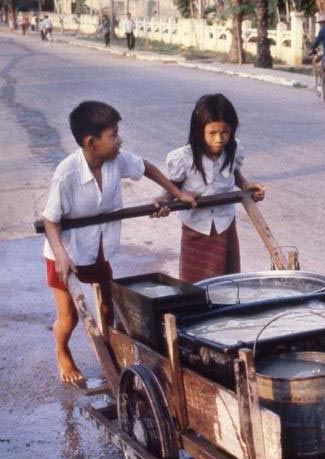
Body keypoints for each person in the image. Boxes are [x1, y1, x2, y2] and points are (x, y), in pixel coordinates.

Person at [42, 101, 197, 384]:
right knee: (69, 318)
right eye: (113, 134)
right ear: (91, 142)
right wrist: (60, 254)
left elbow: (146, 167)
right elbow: (50, 220)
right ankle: (62, 351)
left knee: (107, 306)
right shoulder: (67, 174)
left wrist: (174, 192)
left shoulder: (117, 159)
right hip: (67, 253)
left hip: (99, 247)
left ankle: (110, 348)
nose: (119, 139)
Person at [163, 93, 265, 283]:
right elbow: (172, 186)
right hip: (196, 228)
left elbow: (233, 173)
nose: (219, 139)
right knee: (196, 282)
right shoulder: (184, 158)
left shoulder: (233, 150)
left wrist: (246, 185)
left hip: (225, 223)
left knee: (227, 279)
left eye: (225, 132)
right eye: (212, 133)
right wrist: (163, 202)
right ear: (199, 131)